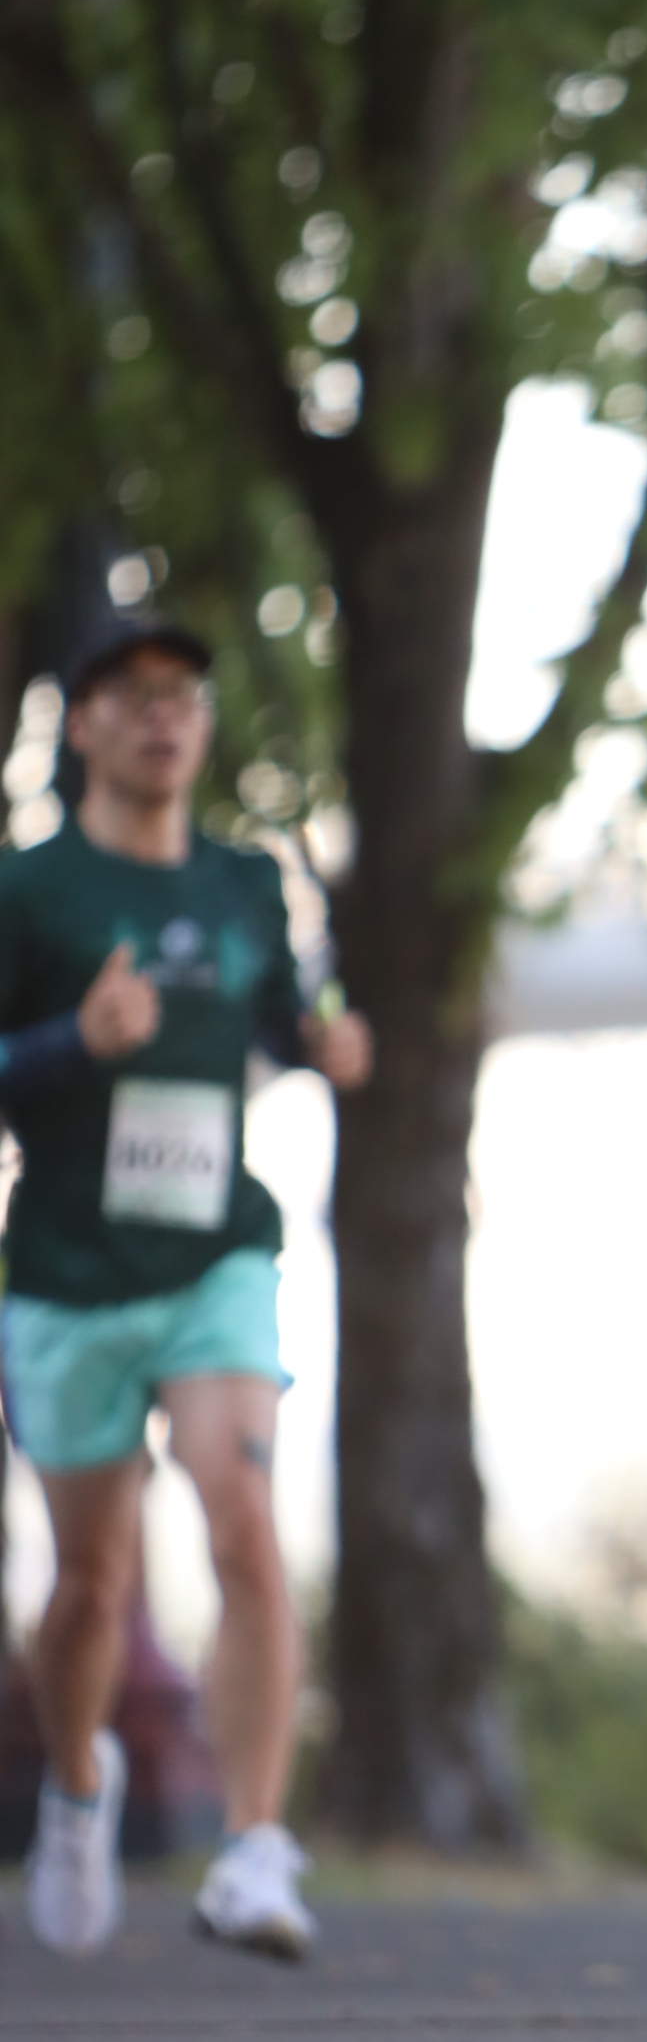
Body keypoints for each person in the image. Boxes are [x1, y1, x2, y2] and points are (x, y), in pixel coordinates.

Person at [7, 617, 372, 1963]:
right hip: (67, 1274)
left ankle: (255, 1848)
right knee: (91, 1586)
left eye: (185, 696)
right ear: (85, 724)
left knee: (244, 1518)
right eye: (136, 695)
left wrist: (320, 1044)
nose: (165, 717)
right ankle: (78, 1787)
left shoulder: (243, 883)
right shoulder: (30, 889)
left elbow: (272, 1016)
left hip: (216, 1249)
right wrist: (73, 1039)